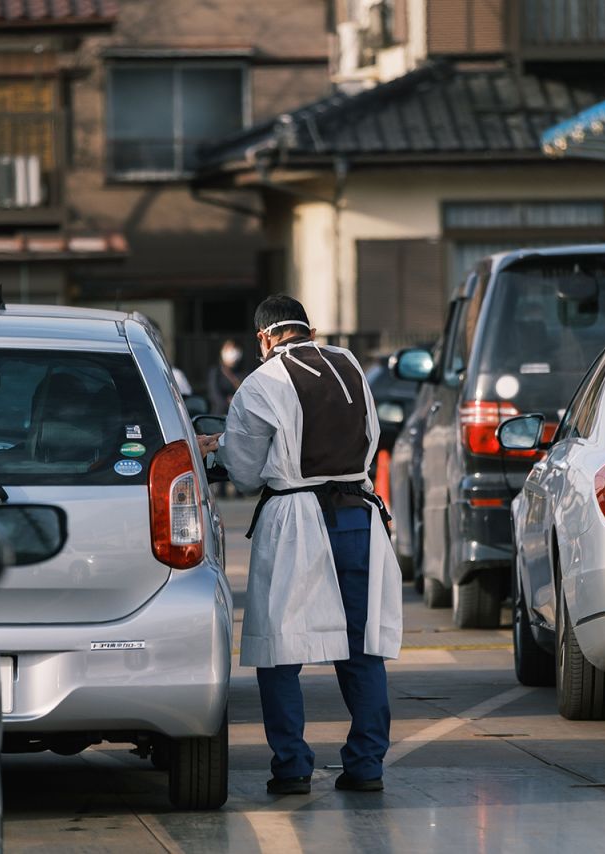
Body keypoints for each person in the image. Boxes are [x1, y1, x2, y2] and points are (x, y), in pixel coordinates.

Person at [199, 295, 403, 795]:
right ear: (307, 329)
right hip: (357, 515)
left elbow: (245, 470)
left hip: (295, 519)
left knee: (280, 650)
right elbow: (371, 435)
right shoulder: (350, 364)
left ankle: (292, 767)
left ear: (264, 337)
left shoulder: (262, 381)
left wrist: (218, 447)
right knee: (361, 649)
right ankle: (366, 765)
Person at [207, 339, 244, 414]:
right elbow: (214, 394)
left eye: (234, 348)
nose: (232, 352)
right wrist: (227, 402)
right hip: (220, 416)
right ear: (222, 352)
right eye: (228, 349)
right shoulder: (215, 372)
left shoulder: (244, 372)